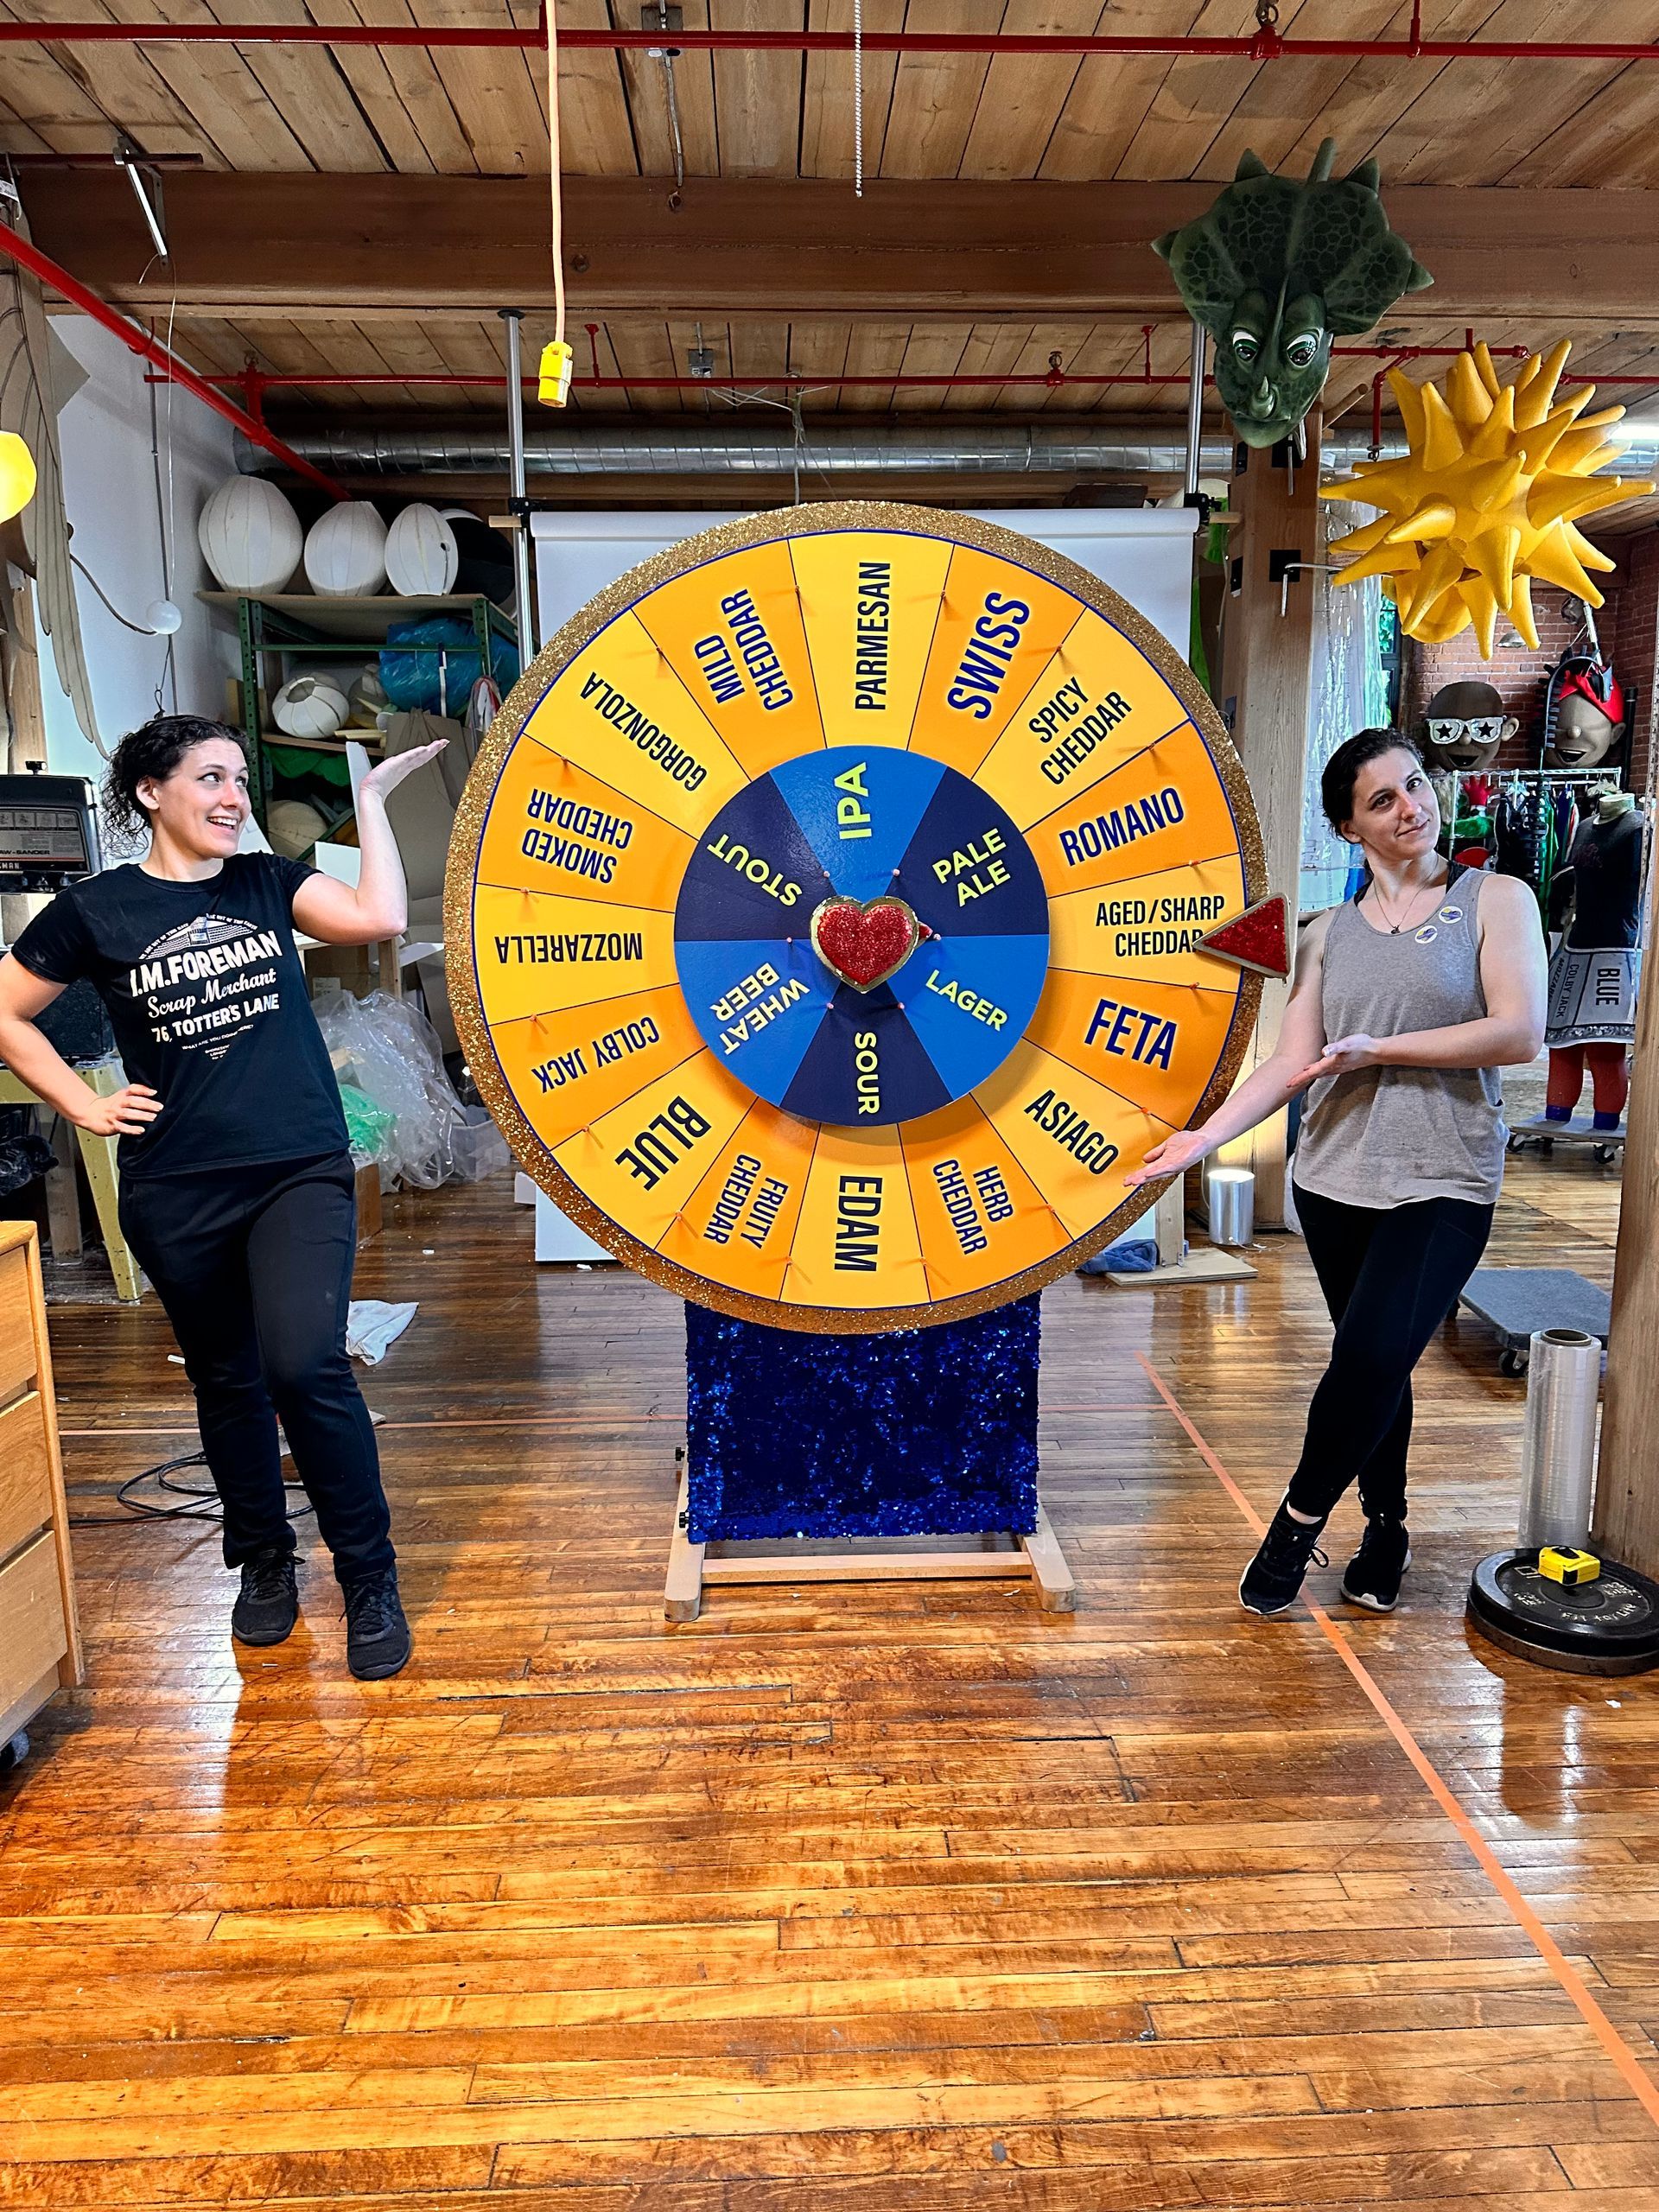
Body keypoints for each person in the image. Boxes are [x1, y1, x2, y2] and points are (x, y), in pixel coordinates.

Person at [0, 715, 446, 1679]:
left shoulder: (266, 881)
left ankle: (370, 1576)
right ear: (152, 792)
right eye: (212, 779)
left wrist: (368, 803)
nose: (235, 797)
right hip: (175, 1184)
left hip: (297, 1167)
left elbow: (377, 919)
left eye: (240, 779)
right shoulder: (97, 910)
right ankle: (264, 1565)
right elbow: (6, 1010)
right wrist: (82, 1100)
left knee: (304, 1365)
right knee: (227, 1380)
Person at [1127, 728, 1547, 1618]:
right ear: (1349, 827)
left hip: (1445, 1178)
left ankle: (1297, 1519)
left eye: (1417, 786)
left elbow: (1518, 1032)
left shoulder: (1496, 899)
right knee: (1377, 1364)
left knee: (1366, 1352)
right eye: (1384, 800)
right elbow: (1291, 1064)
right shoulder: (1325, 935)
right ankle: (1388, 1523)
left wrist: (1380, 1048)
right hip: (1333, 1178)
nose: (1413, 807)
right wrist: (1201, 1139)